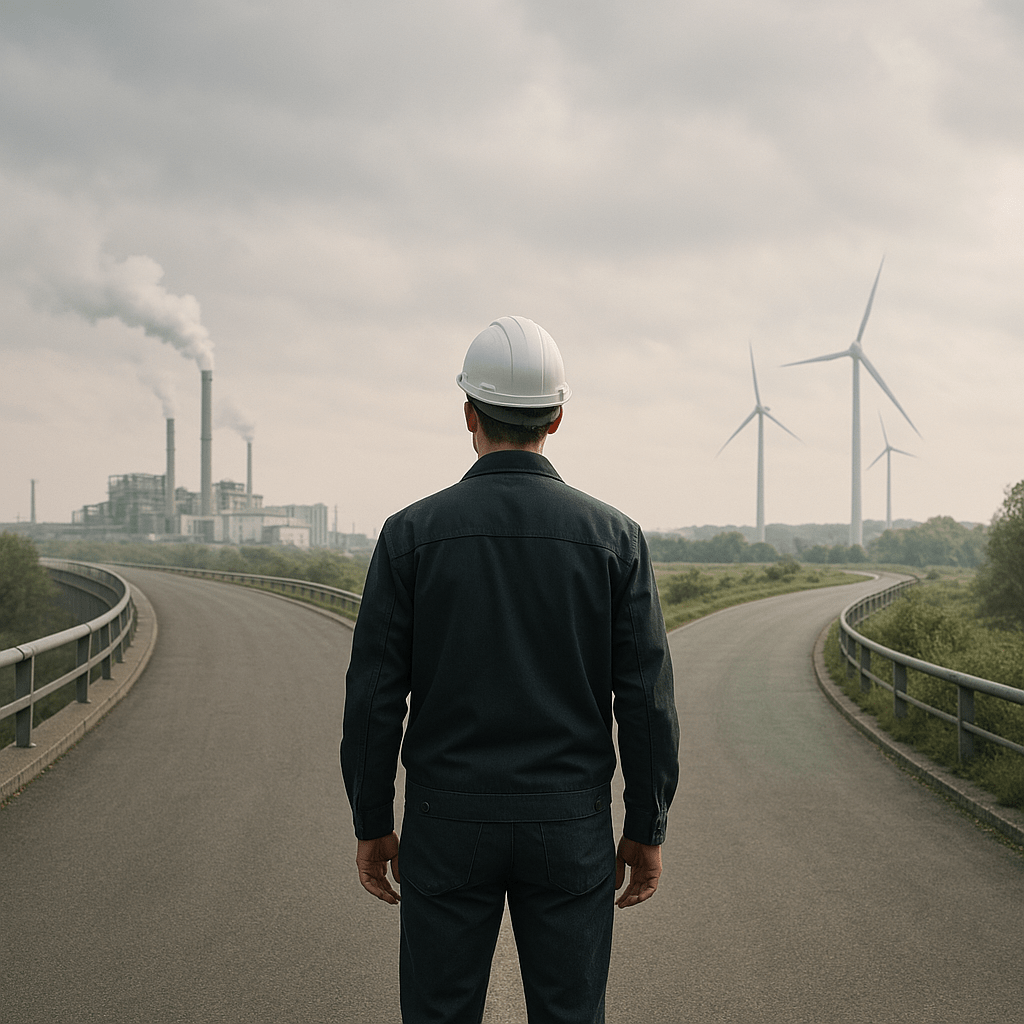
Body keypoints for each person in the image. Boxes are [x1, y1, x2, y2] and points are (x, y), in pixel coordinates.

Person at [341, 316, 679, 1024]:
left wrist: (372, 818)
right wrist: (646, 825)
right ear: (557, 417)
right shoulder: (616, 539)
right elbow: (645, 697)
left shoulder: (409, 536)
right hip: (569, 822)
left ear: (468, 412)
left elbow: (374, 694)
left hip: (446, 820)